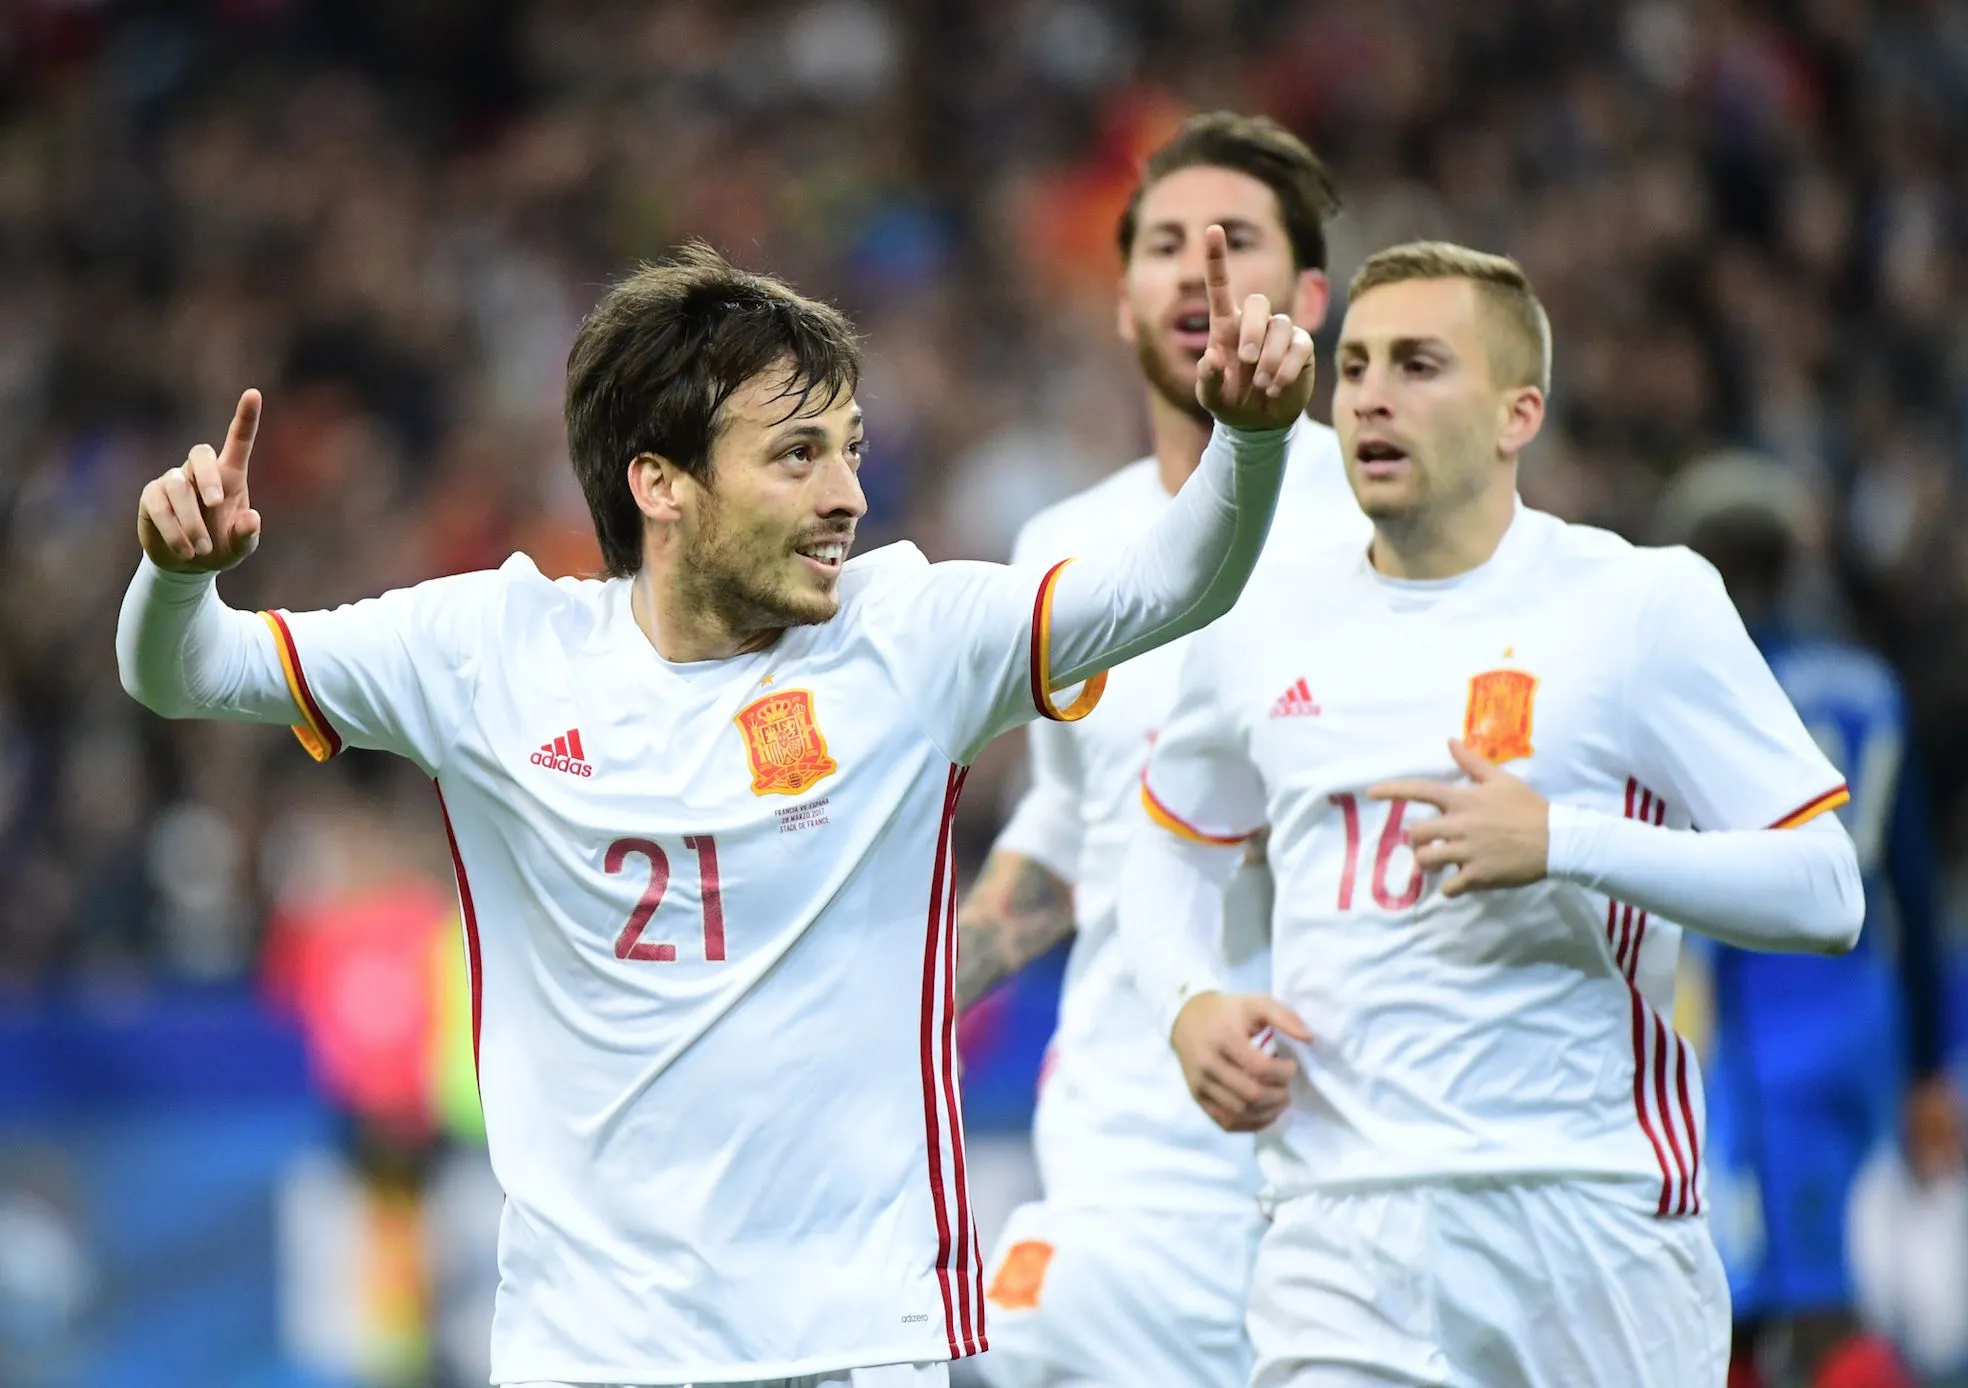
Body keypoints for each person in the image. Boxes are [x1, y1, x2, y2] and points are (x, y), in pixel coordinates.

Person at [115, 239, 1316, 1388]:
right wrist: (177, 578)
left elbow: (1177, 581)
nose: (850, 492)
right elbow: (185, 671)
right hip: (586, 1348)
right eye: (798, 455)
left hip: (856, 1331)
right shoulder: (492, 650)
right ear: (661, 483)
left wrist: (1250, 442)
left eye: (851, 447)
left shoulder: (912, 636)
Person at [1118, 240, 1866, 1388]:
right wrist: (1187, 1000)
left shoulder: (1638, 605)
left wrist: (1564, 841)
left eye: (1419, 363)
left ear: (1520, 413)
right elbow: (1173, 837)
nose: (1369, 392)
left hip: (1587, 1223)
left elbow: (1826, 889)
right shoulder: (1262, 617)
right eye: (1354, 362)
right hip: (1339, 1231)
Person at [953, 111, 1364, 1388]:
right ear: (1123, 300)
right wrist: (916, 989)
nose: (1200, 271)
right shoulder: (1063, 548)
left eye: (1236, 241)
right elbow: (1076, 826)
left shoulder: (1383, 516)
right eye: (1168, 246)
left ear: (1308, 295)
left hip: (1343, 1137)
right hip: (1122, 1157)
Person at [1657, 452, 1955, 1388]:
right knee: (1813, 1293)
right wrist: (1929, 1067)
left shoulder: (1706, 685)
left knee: (1754, 1310)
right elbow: (1918, 893)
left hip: (1747, 1034)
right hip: (1860, 1023)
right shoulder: (1869, 687)